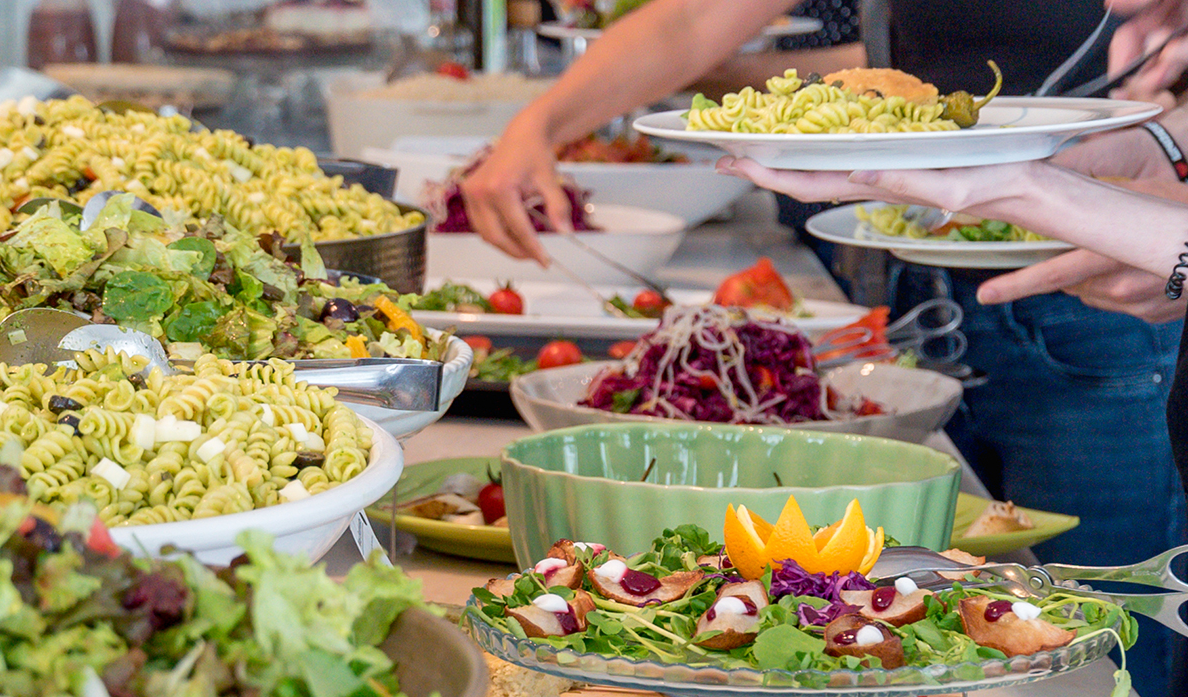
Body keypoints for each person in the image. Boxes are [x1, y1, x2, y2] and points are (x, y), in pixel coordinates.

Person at [459, 1, 1188, 691]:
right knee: (933, 608)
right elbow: (695, 18)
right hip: (931, 264)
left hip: (1104, 297)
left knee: (1110, 631)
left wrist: (1166, 233)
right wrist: (539, 124)